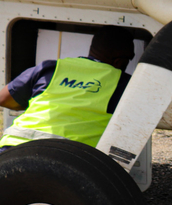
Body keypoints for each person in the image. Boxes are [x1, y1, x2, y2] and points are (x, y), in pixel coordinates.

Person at [0, 25, 135, 151]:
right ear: (120, 61)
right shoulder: (123, 83)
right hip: (68, 158)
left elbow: (4, 99)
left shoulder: (51, 67)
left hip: (13, 148)